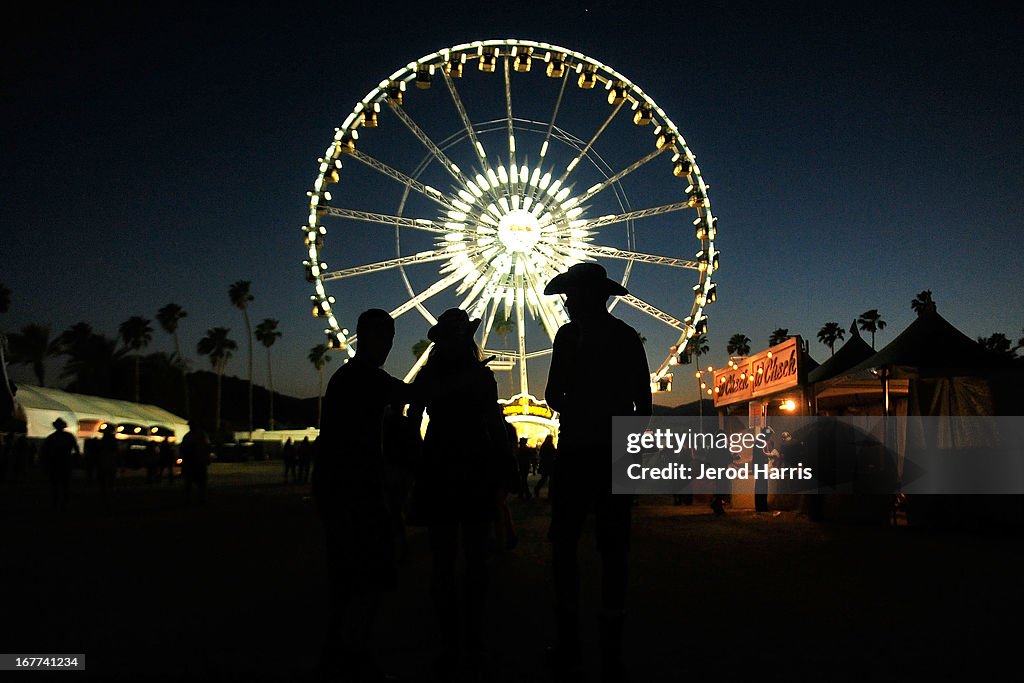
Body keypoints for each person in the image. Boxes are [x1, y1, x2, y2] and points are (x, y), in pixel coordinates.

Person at [542, 263, 653, 682]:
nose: (567, 303)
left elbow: (554, 396)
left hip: (576, 452)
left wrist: (576, 402)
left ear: (586, 296)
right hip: (613, 453)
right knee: (613, 548)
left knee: (565, 545)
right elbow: (643, 405)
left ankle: (570, 642)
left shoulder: (568, 337)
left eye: (571, 295)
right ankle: (611, 649)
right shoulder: (626, 337)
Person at [406, 308, 513, 680]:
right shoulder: (480, 377)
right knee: (476, 558)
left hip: (438, 463)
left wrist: (416, 455)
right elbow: (493, 423)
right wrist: (506, 464)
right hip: (475, 465)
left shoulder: (429, 375)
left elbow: (410, 417)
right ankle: (474, 638)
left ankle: (450, 639)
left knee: (442, 560)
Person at [311, 308, 411, 683]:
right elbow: (410, 392)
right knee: (372, 571)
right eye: (386, 339)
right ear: (373, 338)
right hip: (357, 486)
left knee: (342, 571)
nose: (388, 346)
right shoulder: (365, 378)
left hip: (334, 484)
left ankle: (336, 645)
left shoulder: (344, 377)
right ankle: (354, 650)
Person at [41, 417, 79, 512]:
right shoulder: (69, 436)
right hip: (65, 462)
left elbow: (45, 451)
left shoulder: (51, 437)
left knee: (55, 484)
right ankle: (64, 502)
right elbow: (76, 448)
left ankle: (56, 502)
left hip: (55, 463)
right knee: (65, 484)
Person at [179, 421, 210, 503]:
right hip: (193, 461)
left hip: (195, 461)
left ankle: (198, 498)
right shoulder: (197, 435)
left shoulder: (191, 436)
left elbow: (206, 448)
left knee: (197, 482)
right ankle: (195, 498)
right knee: (194, 481)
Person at [534, 434, 556, 500]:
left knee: (545, 478)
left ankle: (537, 489)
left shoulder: (544, 445)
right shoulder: (549, 445)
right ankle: (550, 495)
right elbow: (552, 453)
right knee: (549, 479)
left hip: (545, 465)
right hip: (548, 465)